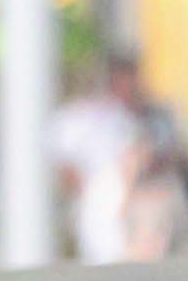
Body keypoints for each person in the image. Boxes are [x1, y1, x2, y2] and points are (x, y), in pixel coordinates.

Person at [50, 51, 160, 264]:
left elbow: (133, 155)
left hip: (111, 190)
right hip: (99, 192)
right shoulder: (79, 118)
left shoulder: (118, 116)